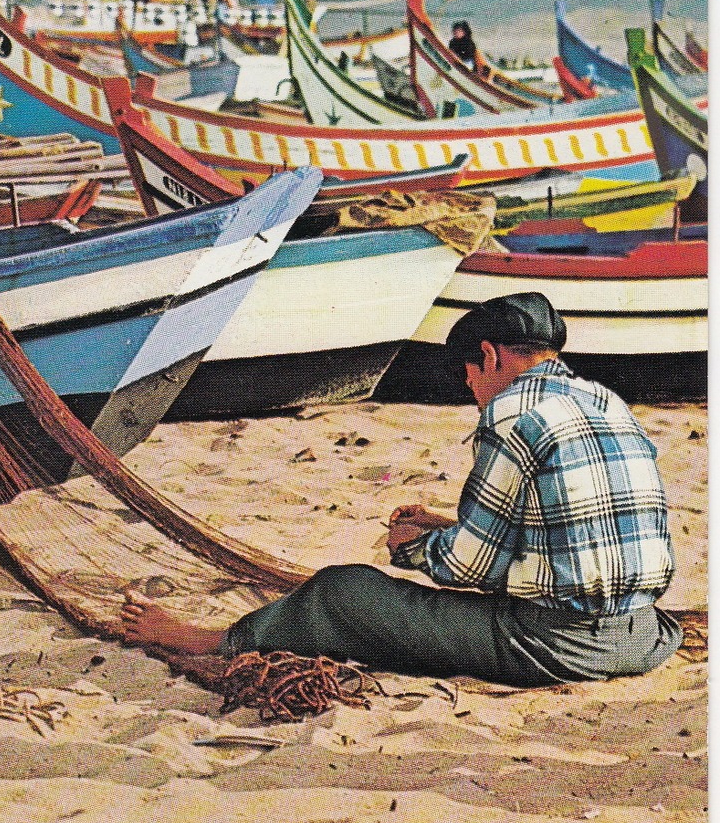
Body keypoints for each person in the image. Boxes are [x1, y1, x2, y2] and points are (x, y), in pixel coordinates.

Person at [120, 292, 682, 688]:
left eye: (470, 377)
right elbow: (561, 529)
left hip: (553, 645)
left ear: (487, 356)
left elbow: (468, 570)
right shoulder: (609, 403)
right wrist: (444, 525)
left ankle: (215, 641)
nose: (474, 392)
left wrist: (410, 547)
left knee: (343, 593)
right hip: (642, 637)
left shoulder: (512, 414)